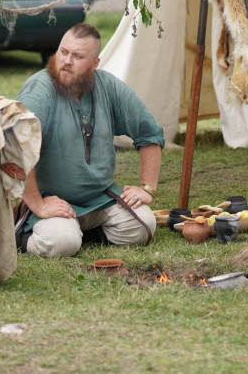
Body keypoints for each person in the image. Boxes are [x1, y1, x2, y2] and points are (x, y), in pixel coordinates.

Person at [16, 23, 164, 257]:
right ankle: (25, 236)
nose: (66, 61)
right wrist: (38, 204)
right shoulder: (40, 87)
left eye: (77, 56)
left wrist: (147, 188)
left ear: (95, 63)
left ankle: (80, 234)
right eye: (63, 52)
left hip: (99, 199)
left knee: (143, 225)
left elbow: (149, 132)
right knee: (62, 243)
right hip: (51, 199)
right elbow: (18, 143)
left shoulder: (108, 86)